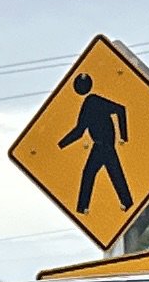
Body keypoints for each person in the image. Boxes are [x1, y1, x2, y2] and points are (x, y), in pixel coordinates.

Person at [59, 73, 137, 221]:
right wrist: (61, 145)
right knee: (108, 174)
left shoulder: (93, 101)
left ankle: (83, 209)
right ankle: (126, 204)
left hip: (105, 146)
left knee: (95, 174)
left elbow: (120, 109)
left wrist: (123, 136)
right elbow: (80, 131)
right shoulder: (89, 103)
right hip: (101, 146)